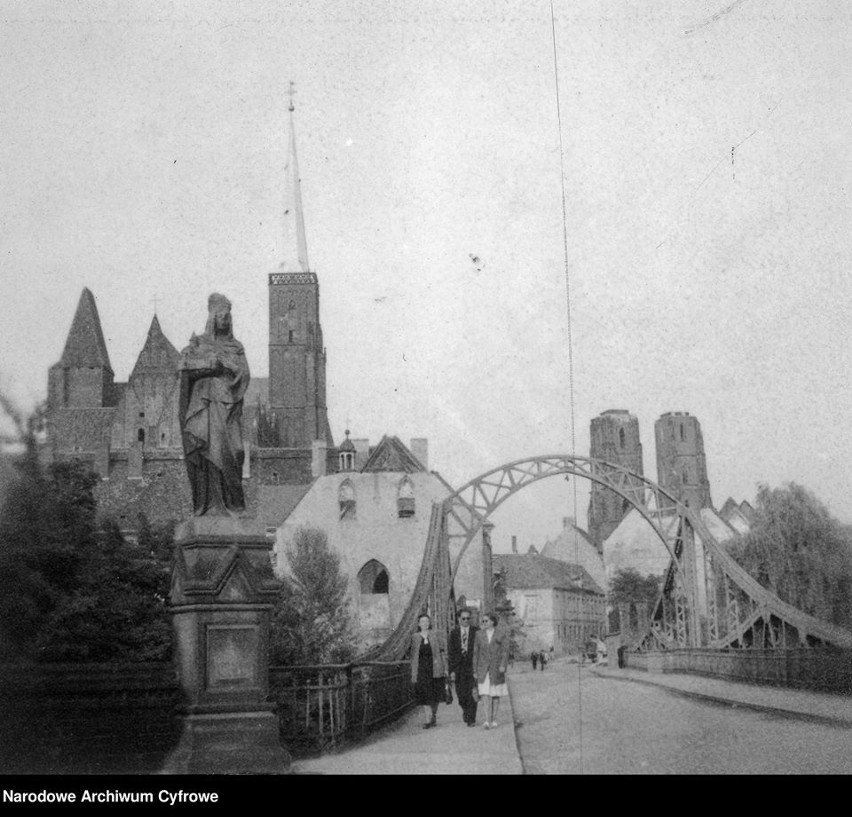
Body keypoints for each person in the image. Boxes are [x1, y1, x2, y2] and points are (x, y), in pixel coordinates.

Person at [179, 293, 250, 516]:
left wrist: (232, 367)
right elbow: (183, 368)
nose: (226, 320)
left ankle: (234, 505)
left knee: (235, 451)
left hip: (227, 405)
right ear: (212, 317)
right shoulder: (198, 343)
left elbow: (244, 374)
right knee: (207, 450)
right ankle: (210, 506)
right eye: (222, 315)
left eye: (228, 316)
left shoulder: (236, 346)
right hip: (203, 406)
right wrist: (204, 364)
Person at [409, 613, 447, 729]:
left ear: (429, 623)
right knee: (425, 694)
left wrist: (445, 667)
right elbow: (412, 654)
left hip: (434, 667)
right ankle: (427, 719)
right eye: (422, 622)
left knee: (434, 694)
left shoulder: (435, 635)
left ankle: (433, 716)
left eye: (426, 621)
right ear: (419, 624)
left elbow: (442, 652)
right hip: (421, 668)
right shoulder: (415, 637)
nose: (424, 624)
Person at [473, 613, 510, 730]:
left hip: (496, 668)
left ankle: (494, 719)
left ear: (493, 622)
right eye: (482, 621)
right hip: (483, 669)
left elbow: (505, 651)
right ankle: (486, 720)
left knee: (495, 694)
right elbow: (476, 653)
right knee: (484, 694)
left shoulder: (501, 634)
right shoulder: (479, 634)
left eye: (486, 621)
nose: (484, 623)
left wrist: (503, 665)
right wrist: (475, 669)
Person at [448, 609, 479, 727]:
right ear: (459, 619)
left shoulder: (476, 632)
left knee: (472, 692)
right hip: (459, 668)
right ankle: (465, 710)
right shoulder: (454, 633)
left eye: (468, 618)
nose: (466, 621)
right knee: (460, 694)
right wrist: (451, 670)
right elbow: (451, 653)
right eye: (463, 618)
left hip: (472, 666)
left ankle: (471, 718)